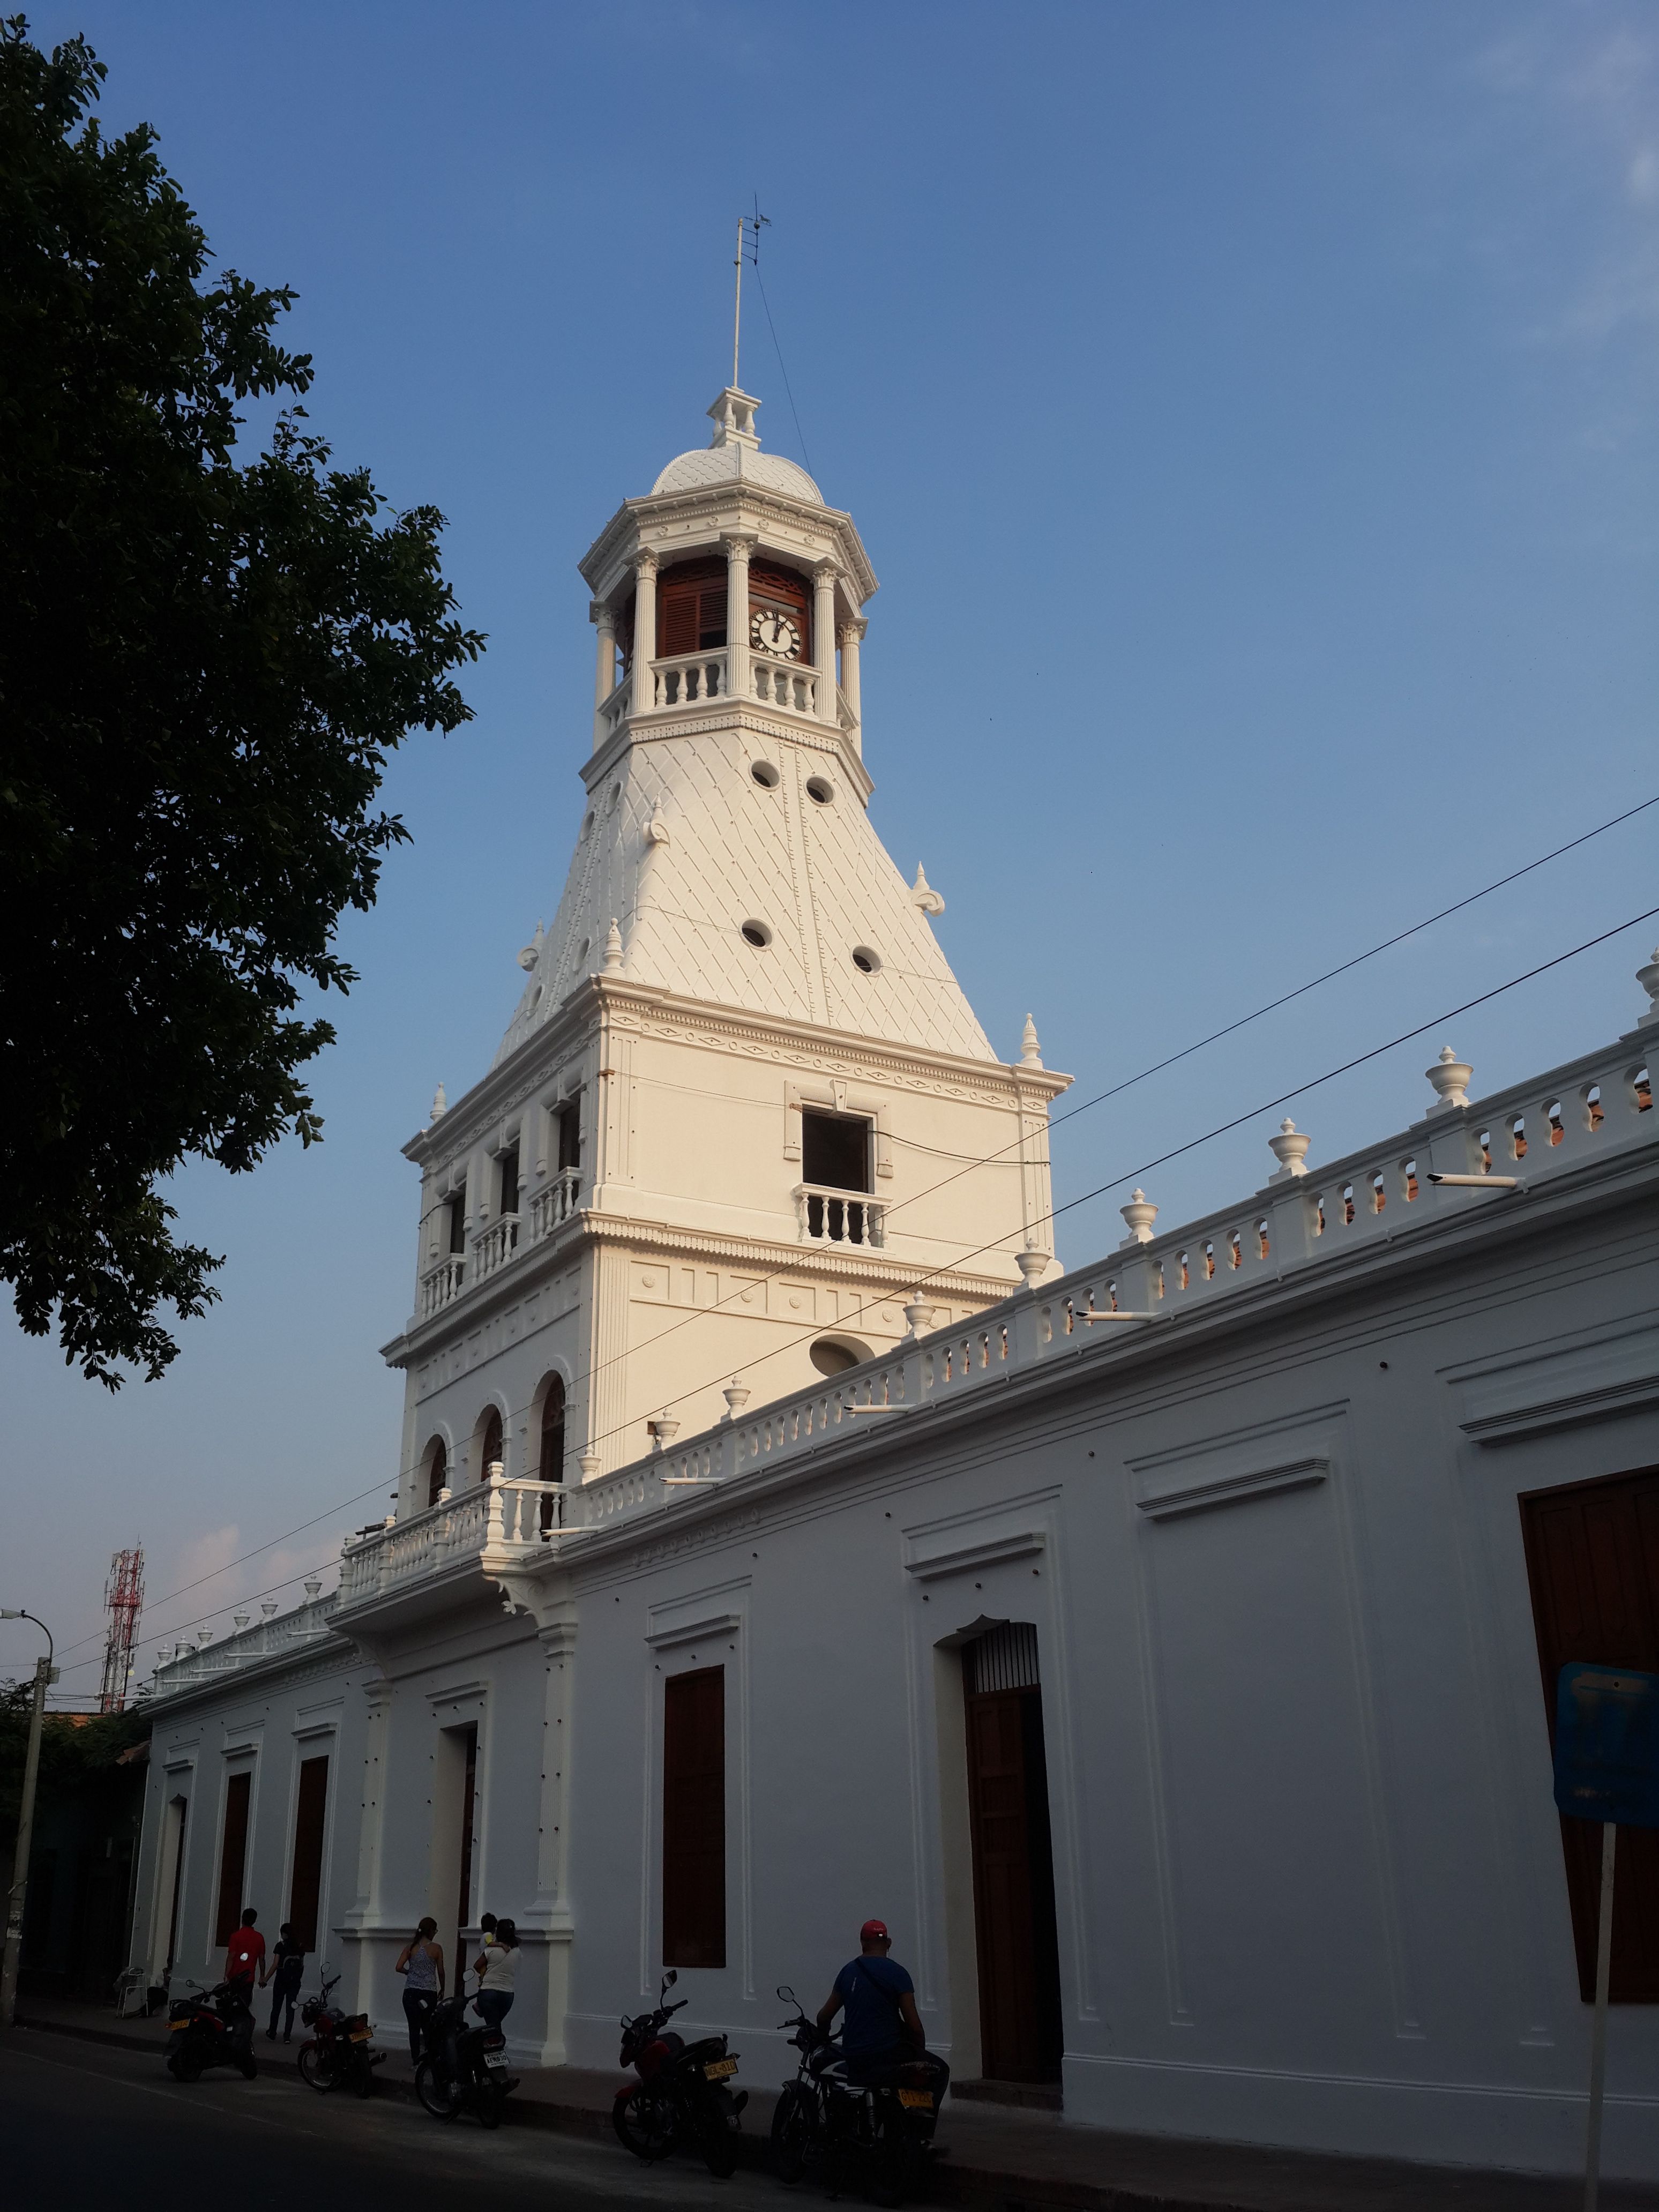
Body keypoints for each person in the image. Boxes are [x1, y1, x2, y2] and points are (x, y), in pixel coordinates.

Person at [817, 1919, 945, 2090]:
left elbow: (824, 2016)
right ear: (888, 1943)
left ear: (862, 1942)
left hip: (854, 2055)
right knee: (941, 2070)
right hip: (888, 2054)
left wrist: (823, 2036)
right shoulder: (898, 1973)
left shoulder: (848, 1972)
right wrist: (919, 2054)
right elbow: (914, 2027)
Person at [394, 1917, 445, 2063]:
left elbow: (398, 1967)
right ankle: (430, 2059)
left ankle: (415, 2059)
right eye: (435, 1930)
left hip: (410, 1992)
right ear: (431, 1931)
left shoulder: (410, 1948)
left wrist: (409, 1972)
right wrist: (443, 1987)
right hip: (429, 1992)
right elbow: (441, 1971)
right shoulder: (436, 1948)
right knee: (428, 2026)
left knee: (414, 2028)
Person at [471, 1915, 518, 2031]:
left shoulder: (490, 1949)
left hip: (489, 1991)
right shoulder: (517, 1952)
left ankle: (494, 2046)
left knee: (493, 2026)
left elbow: (477, 1965)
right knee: (495, 2024)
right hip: (508, 1993)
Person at [264, 1922, 305, 2042]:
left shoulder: (280, 1946)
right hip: (295, 1982)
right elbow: (302, 1965)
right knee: (290, 2009)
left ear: (284, 1934)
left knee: (276, 2007)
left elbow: (275, 1965)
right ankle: (287, 2036)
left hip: (281, 1980)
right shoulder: (299, 1946)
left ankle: (272, 2031)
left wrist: (265, 1979)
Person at [223, 1907, 265, 2001]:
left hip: (235, 1976)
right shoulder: (259, 1938)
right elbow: (262, 1959)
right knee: (244, 2004)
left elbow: (231, 1957)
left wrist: (226, 1975)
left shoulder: (236, 1936)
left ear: (242, 1919)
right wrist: (262, 1976)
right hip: (249, 1978)